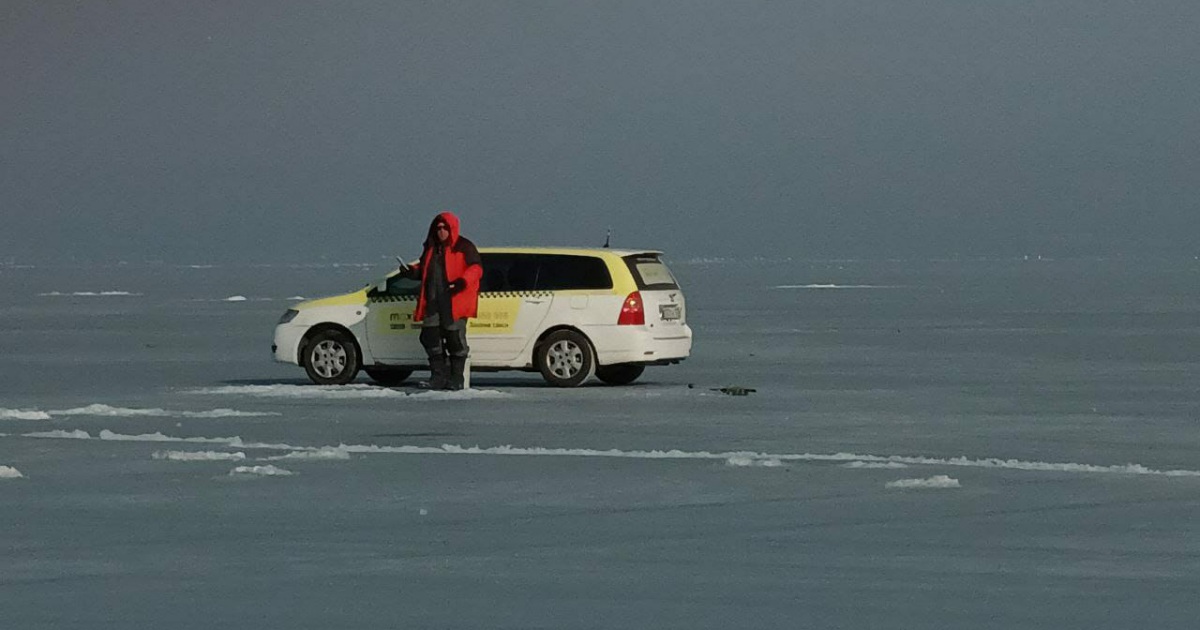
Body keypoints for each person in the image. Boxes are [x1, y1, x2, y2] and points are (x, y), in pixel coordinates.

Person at [404, 211, 482, 390]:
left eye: (444, 227)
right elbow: (423, 270)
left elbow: (476, 269)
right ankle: (438, 377)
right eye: (437, 227)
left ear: (452, 228)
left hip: (454, 303)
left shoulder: (464, 246)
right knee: (429, 337)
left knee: (455, 340)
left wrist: (462, 282)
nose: (440, 231)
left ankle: (456, 379)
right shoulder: (431, 249)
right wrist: (411, 272)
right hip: (432, 303)